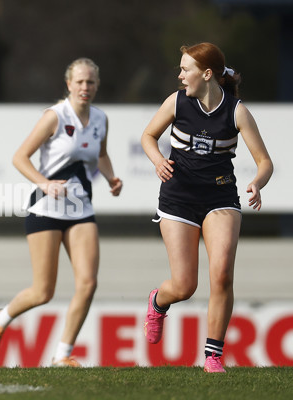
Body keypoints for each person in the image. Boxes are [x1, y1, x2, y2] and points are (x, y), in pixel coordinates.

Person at [0, 58, 123, 367]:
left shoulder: (100, 119)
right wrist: (44, 183)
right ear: (68, 84)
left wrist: (111, 177)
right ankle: (1, 319)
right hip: (45, 208)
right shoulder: (54, 117)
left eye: (91, 82)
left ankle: (62, 356)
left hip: (80, 208)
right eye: (80, 82)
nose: (85, 87)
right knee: (43, 291)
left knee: (88, 284)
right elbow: (20, 157)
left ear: (97, 86)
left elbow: (101, 154)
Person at [141, 42, 273, 373]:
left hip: (220, 197)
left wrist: (258, 182)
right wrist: (158, 160)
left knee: (222, 273)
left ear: (207, 74)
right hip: (178, 199)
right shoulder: (176, 102)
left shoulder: (237, 110)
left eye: (186, 69)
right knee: (185, 286)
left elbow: (265, 162)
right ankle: (158, 302)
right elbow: (148, 136)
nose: (181, 75)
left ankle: (213, 356)